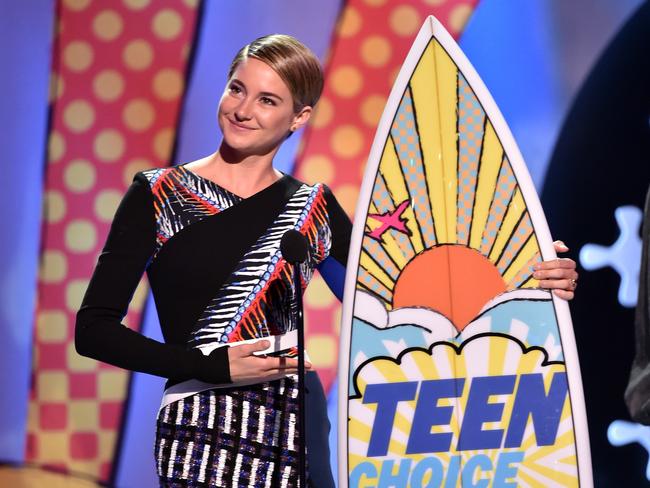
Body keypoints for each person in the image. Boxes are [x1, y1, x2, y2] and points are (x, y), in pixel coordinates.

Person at [75, 34, 579, 487]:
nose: (243, 109)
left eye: (267, 100)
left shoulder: (311, 206)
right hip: (200, 427)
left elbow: (403, 311)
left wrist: (526, 284)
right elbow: (93, 329)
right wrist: (204, 363)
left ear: (299, 117)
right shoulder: (158, 194)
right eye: (236, 89)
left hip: (298, 423)